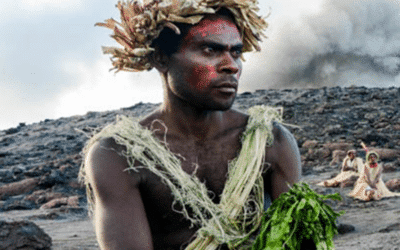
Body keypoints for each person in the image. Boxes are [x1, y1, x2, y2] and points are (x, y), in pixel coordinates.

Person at [80, 1, 301, 249]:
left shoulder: (269, 141)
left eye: (236, 53)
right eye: (210, 50)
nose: (231, 65)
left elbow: (300, 240)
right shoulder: (120, 155)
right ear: (161, 59)